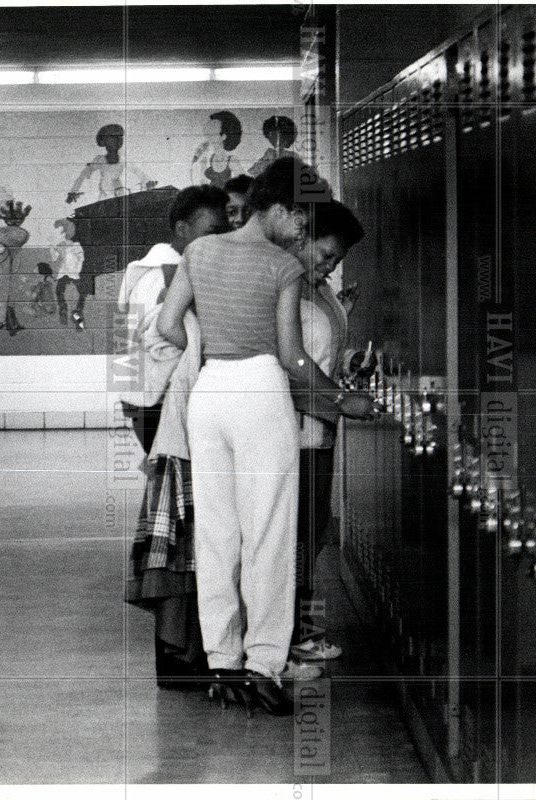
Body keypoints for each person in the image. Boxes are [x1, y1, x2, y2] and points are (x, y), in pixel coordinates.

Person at [157, 158, 375, 714]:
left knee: (216, 538)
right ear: (276, 208)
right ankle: (263, 667)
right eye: (301, 221)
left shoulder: (200, 252)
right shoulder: (279, 265)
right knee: (270, 538)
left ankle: (222, 665)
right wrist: (340, 399)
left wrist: (208, 352)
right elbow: (291, 356)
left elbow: (166, 325)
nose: (303, 231)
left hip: (209, 393)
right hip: (259, 391)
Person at [287, 200, 366, 663]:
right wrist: (340, 402)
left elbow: (324, 356)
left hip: (321, 433)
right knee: (294, 538)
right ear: (301, 238)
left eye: (336, 260)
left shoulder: (321, 291)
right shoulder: (285, 289)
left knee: (311, 535)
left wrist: (350, 365)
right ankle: (292, 634)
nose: (330, 266)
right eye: (326, 255)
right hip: (293, 434)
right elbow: (286, 372)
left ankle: (300, 629)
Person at [117, 185, 229, 454]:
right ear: (182, 229)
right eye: (212, 232)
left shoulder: (160, 268)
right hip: (159, 400)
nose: (221, 241)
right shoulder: (163, 275)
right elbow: (163, 332)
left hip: (146, 397)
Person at [66, 123, 157, 204]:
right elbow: (83, 175)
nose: (118, 140)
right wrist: (73, 192)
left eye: (120, 137)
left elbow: (138, 171)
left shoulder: (123, 159)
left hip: (120, 191)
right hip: (105, 193)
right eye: (113, 137)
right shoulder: (99, 160)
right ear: (104, 141)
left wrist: (148, 182)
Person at [191, 111, 244, 189]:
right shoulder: (207, 157)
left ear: (223, 136)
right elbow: (201, 184)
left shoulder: (231, 160)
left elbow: (244, 183)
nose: (209, 133)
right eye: (209, 129)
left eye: (213, 130)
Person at [50, 219, 87, 328]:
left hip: (69, 272)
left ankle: (68, 309)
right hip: (68, 272)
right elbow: (54, 258)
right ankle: (74, 311)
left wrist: (77, 268)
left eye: (62, 232)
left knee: (62, 291)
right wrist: (52, 247)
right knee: (79, 292)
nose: (60, 234)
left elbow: (81, 258)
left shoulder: (72, 245)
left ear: (66, 233)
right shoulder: (65, 245)